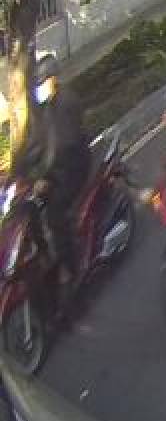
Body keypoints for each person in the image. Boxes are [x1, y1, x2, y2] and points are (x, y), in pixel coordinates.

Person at [12, 52, 90, 290]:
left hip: (73, 166)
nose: (40, 87)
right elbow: (34, 143)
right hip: (54, 169)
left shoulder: (66, 102)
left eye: (43, 81)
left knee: (55, 214)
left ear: (54, 78)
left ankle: (72, 270)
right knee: (24, 209)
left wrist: (43, 178)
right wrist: (17, 171)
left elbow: (62, 146)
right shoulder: (43, 108)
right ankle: (45, 256)